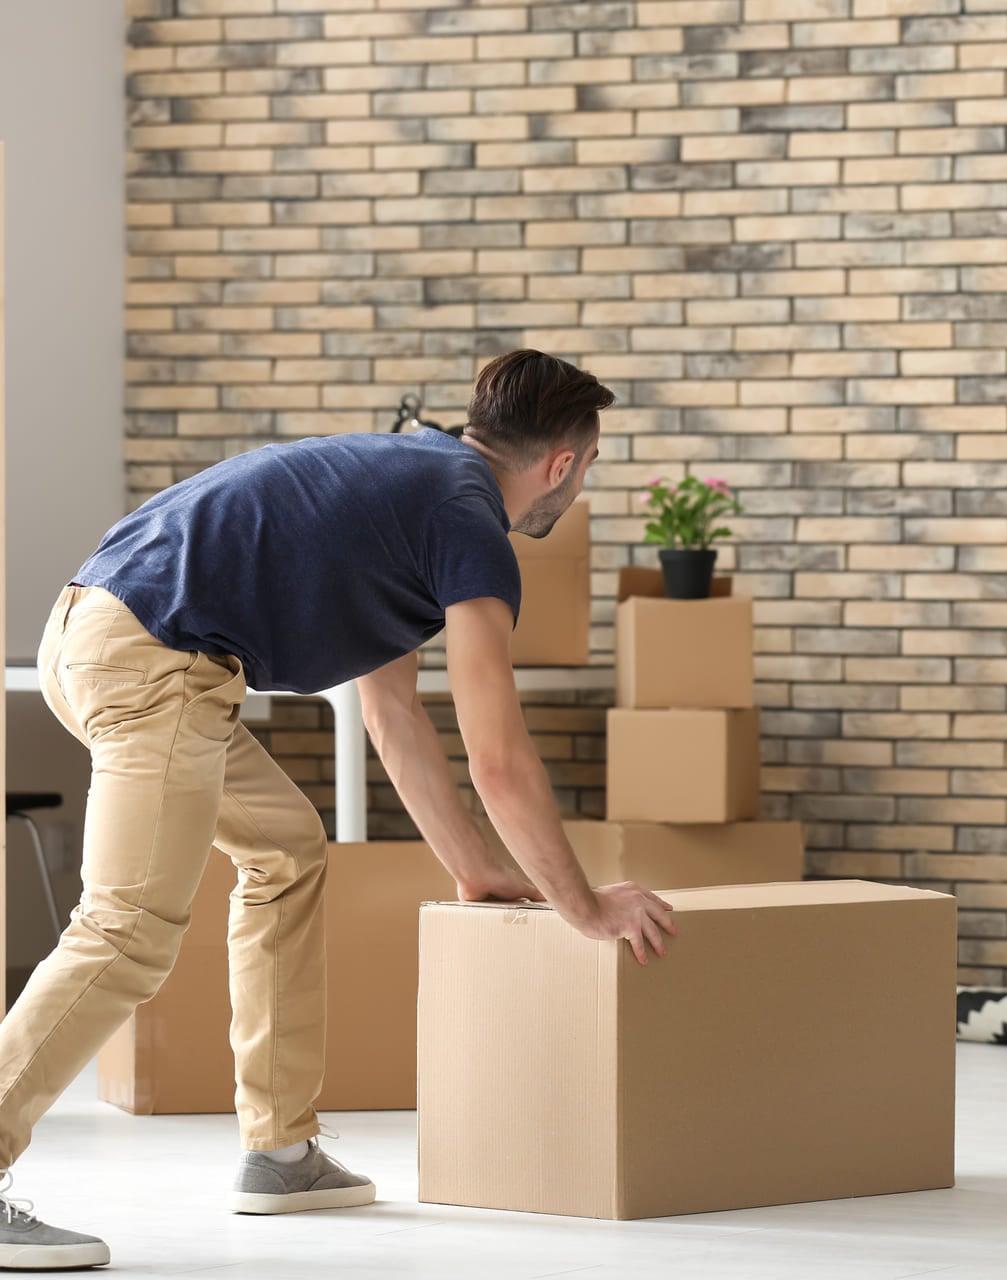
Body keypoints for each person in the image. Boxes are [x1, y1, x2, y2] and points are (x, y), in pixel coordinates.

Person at [0, 350, 679, 1270]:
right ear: (562, 464)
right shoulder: (465, 517)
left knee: (286, 848)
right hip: (153, 658)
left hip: (108, 636)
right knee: (126, 929)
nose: (582, 483)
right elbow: (498, 755)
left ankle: (280, 1152)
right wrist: (585, 907)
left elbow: (394, 714)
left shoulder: (409, 483)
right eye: (590, 466)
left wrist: (477, 870)